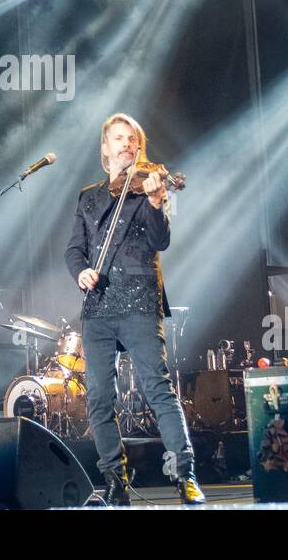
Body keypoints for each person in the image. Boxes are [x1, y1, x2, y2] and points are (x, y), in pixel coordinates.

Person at [65, 112, 204, 505]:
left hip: (140, 299)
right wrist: (82, 272)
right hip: (97, 307)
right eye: (119, 139)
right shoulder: (88, 197)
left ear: (138, 148)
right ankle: (114, 480)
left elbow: (160, 241)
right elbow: (74, 249)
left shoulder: (149, 187)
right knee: (98, 397)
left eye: (133, 140)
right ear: (105, 149)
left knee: (157, 387)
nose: (127, 144)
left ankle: (185, 474)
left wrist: (159, 201)